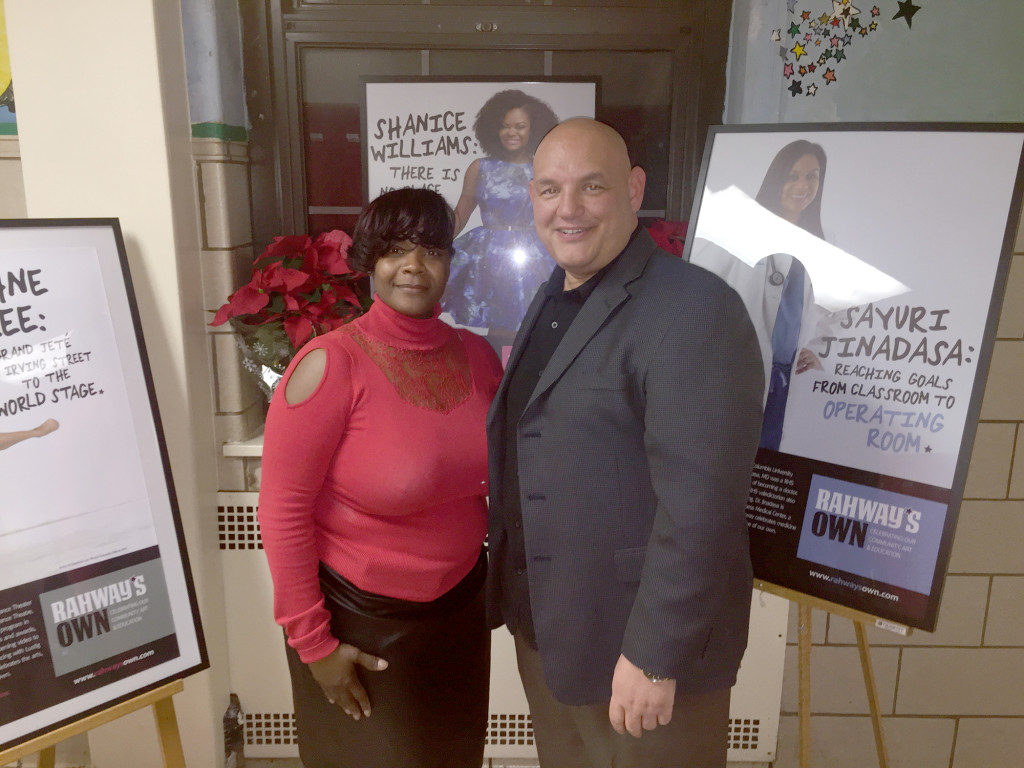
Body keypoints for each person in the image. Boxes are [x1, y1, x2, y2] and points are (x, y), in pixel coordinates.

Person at [486, 118, 764, 768]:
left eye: (592, 187)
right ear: (532, 198)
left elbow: (701, 508)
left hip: (638, 653)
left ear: (634, 190)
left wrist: (653, 655)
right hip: (556, 637)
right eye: (550, 190)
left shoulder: (694, 310)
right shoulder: (554, 297)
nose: (569, 208)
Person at [257, 188, 503, 768]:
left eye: (431, 250)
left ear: (449, 261)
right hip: (361, 628)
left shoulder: (479, 356)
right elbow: (281, 511)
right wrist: (313, 645)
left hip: (462, 615)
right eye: (395, 250)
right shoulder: (331, 363)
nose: (414, 266)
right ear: (370, 261)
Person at [692, 139, 830, 451]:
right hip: (738, 375)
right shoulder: (737, 231)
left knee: (770, 463)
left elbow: (828, 308)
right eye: (792, 176)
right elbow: (695, 292)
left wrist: (814, 347)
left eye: (812, 176)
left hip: (784, 376)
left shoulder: (820, 241)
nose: (803, 185)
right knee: (730, 460)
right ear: (776, 178)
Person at [442, 89, 559, 348]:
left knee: (533, 323)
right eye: (504, 126)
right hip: (490, 257)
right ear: (493, 129)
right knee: (498, 328)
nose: (511, 132)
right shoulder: (479, 168)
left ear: (533, 129)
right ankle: (497, 377)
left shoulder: (543, 168)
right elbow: (461, 214)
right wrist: (434, 244)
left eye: (520, 126)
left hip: (530, 256)